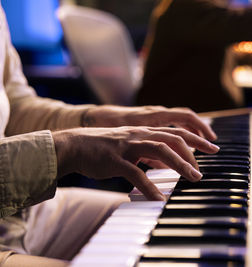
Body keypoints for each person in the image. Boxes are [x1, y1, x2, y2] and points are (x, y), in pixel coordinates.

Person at [0, 4, 218, 267]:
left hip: (24, 214)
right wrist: (68, 148)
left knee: (186, 222)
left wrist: (97, 118)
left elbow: (15, 107)